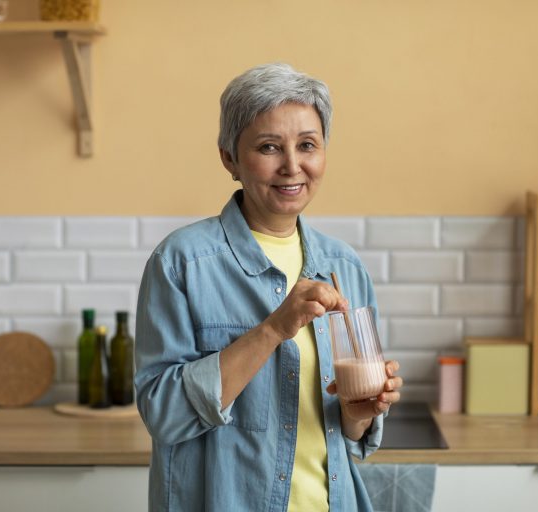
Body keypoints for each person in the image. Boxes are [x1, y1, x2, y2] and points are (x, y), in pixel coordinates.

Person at [135, 62, 403, 512]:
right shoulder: (182, 262)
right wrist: (273, 329)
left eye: (307, 146)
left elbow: (348, 438)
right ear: (229, 158)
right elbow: (164, 414)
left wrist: (358, 413)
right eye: (269, 147)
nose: (292, 166)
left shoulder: (344, 266)